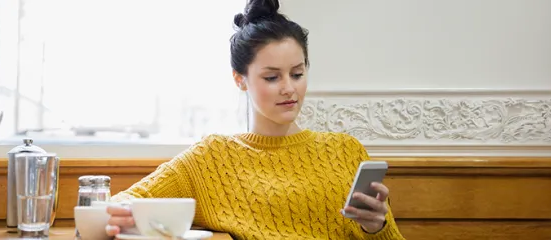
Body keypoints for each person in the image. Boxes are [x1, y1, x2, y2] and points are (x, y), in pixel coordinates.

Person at [105, 0, 406, 239]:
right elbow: (120, 205)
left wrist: (376, 228)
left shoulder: (346, 151)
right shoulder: (211, 159)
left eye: (298, 74)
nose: (289, 88)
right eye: (272, 77)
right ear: (240, 79)